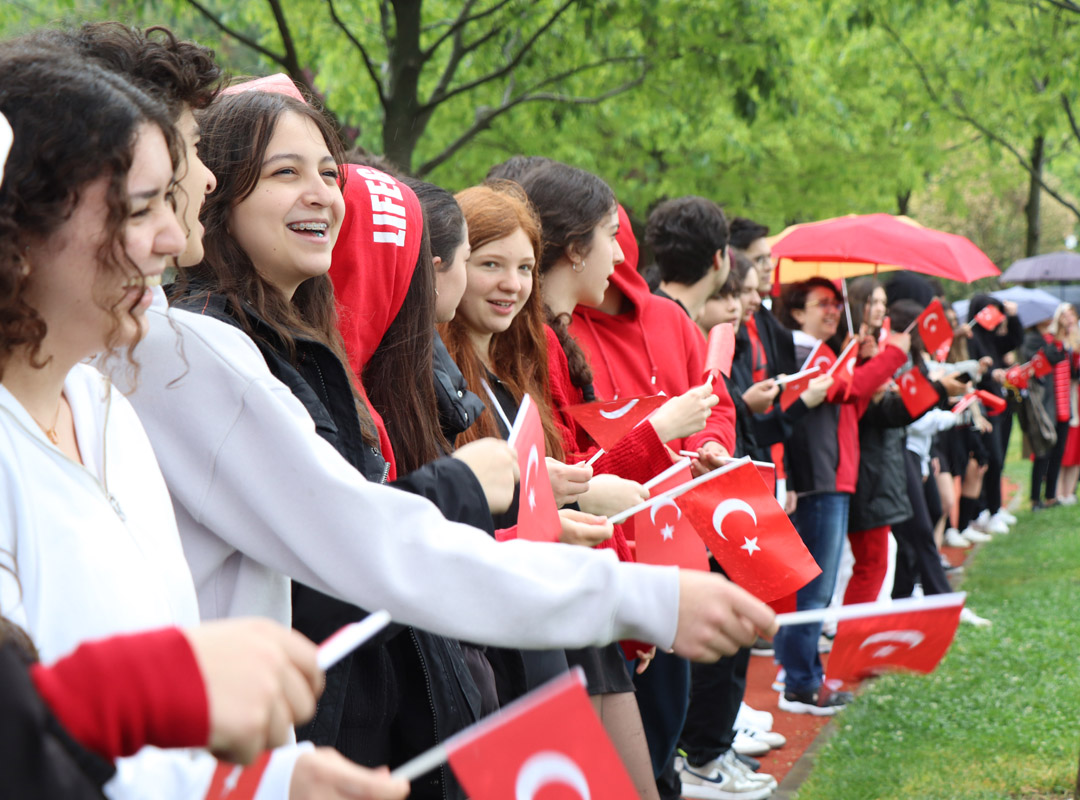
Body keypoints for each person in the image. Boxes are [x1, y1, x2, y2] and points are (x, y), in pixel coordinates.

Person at [0, 47, 410, 800]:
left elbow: (151, 733)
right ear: (20, 231)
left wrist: (267, 781)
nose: (168, 238)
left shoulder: (109, 413)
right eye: (137, 207)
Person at [774, 277, 908, 715]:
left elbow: (850, 404)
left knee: (818, 587)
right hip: (820, 478)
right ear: (797, 311)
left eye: (836, 303)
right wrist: (891, 356)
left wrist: (862, 359)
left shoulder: (823, 352)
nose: (833, 310)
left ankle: (799, 673)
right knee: (814, 589)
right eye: (822, 304)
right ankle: (801, 681)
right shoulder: (802, 353)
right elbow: (846, 390)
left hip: (834, 476)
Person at [967, 294, 1023, 532]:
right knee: (991, 458)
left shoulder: (992, 337)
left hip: (1001, 405)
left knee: (997, 460)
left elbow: (1015, 339)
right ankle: (987, 511)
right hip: (983, 406)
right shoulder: (972, 337)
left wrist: (1013, 316)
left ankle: (993, 509)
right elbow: (971, 370)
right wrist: (992, 375)